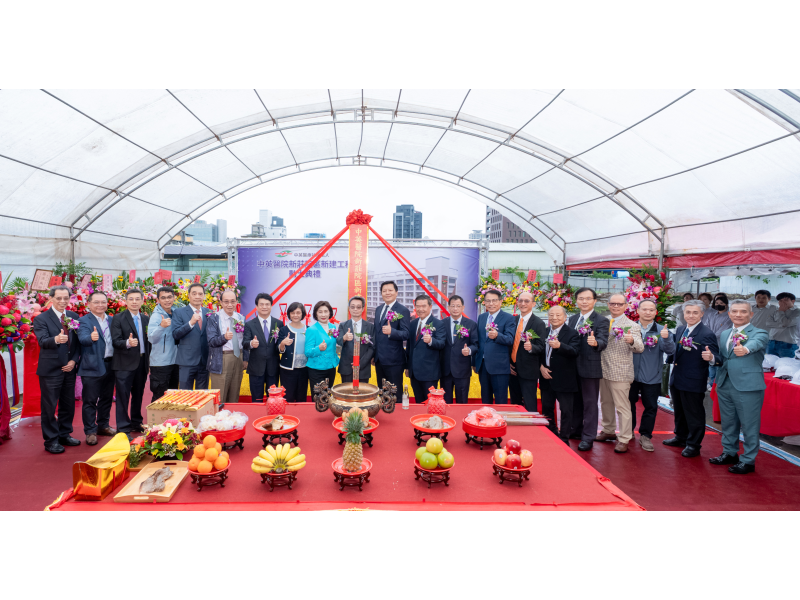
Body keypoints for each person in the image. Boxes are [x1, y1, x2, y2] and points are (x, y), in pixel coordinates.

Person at [707, 300, 769, 474]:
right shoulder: (725, 333)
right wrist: (712, 358)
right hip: (725, 383)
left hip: (748, 386)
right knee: (728, 422)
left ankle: (748, 460)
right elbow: (724, 358)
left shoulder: (759, 333)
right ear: (729, 314)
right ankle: (729, 453)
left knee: (749, 425)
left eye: (743, 311)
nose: (738, 315)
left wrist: (746, 350)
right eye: (734, 311)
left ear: (751, 314)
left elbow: (755, 344)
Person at [664, 300, 720, 457]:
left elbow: (717, 357)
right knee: (679, 411)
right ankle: (680, 437)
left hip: (693, 380)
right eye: (688, 312)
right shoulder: (681, 329)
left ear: (702, 314)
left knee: (694, 414)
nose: (691, 315)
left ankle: (693, 444)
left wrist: (711, 358)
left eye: (695, 312)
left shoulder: (706, 334)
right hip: (677, 377)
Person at [33, 285, 82, 453]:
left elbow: (77, 344)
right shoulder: (41, 319)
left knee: (68, 404)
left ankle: (64, 434)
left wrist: (74, 361)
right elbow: (42, 341)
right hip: (51, 369)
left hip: (69, 368)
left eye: (65, 298)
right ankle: (51, 440)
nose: (62, 301)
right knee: (49, 406)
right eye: (59, 298)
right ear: (51, 298)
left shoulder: (74, 316)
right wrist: (56, 339)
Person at [596, 294, 644, 453]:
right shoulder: (602, 321)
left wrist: (632, 341)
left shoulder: (632, 325)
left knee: (622, 407)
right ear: (608, 304)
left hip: (620, 371)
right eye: (613, 303)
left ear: (626, 306)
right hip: (602, 369)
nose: (615, 306)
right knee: (605, 402)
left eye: (619, 304)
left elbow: (640, 347)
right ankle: (608, 430)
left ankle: (624, 438)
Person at [567, 287, 610, 451]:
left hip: (590, 367)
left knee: (590, 403)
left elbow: (603, 341)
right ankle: (576, 430)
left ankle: (588, 437)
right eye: (581, 298)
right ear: (576, 301)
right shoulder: (572, 319)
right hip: (572, 367)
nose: (584, 301)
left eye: (587, 298)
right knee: (575, 402)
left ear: (594, 301)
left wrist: (596, 343)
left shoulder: (601, 320)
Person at [629, 299, 675, 452]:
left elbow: (670, 351)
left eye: (651, 310)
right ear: (638, 311)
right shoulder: (630, 328)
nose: (647, 312)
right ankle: (628, 432)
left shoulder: (662, 330)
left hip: (652, 375)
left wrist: (666, 338)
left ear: (655, 312)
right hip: (630, 375)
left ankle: (645, 436)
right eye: (644, 309)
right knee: (628, 405)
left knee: (650, 407)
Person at [77, 291, 117, 445]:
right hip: (92, 366)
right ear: (89, 304)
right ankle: (90, 431)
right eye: (96, 302)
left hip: (110, 364)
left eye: (103, 302)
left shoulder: (112, 320)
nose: (100, 305)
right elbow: (82, 338)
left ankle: (103, 426)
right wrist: (90, 338)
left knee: (106, 398)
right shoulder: (83, 321)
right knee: (90, 400)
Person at [111, 288, 150, 439]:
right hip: (124, 364)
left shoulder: (146, 319)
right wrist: (127, 342)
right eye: (131, 299)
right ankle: (123, 428)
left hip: (142, 361)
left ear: (142, 301)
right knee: (123, 397)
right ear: (126, 301)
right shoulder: (118, 318)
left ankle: (136, 422)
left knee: (138, 395)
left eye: (137, 299)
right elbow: (115, 341)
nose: (134, 302)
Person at [539, 305, 580, 442]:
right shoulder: (544, 332)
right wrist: (541, 367)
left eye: (558, 315)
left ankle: (564, 439)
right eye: (551, 315)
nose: (554, 318)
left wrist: (560, 346)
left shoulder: (572, 333)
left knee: (566, 411)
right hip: (546, 377)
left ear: (565, 317)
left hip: (565, 379)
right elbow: (538, 353)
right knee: (547, 409)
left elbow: (575, 351)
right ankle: (551, 435)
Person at [474, 289, 516, 404]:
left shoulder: (509, 318)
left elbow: (510, 339)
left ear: (501, 301)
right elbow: (479, 341)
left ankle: (500, 417)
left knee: (500, 400)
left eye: (494, 300)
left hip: (499, 367)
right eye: (488, 301)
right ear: (484, 302)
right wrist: (475, 362)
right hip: (483, 366)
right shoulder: (481, 317)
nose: (491, 303)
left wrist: (497, 335)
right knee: (485, 399)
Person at [509, 292, 547, 412]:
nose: (523, 303)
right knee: (515, 404)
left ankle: (532, 424)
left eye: (526, 301)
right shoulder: (512, 320)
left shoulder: (539, 323)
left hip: (528, 370)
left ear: (533, 304)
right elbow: (508, 343)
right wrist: (507, 363)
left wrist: (531, 347)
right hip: (512, 369)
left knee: (530, 404)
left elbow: (541, 346)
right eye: (520, 301)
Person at [207, 290, 246, 404]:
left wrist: (245, 358)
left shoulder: (241, 318)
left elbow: (244, 340)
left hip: (238, 357)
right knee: (220, 396)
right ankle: (218, 415)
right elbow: (211, 341)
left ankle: (232, 415)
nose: (230, 305)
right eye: (226, 301)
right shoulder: (214, 318)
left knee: (234, 394)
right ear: (221, 303)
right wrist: (224, 337)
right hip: (221, 358)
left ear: (236, 302)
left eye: (232, 301)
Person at [405, 295, 446, 402]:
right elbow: (410, 347)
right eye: (418, 306)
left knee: (430, 403)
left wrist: (431, 341)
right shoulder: (413, 324)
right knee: (418, 402)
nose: (420, 309)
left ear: (430, 306)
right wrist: (408, 367)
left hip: (429, 373)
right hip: (414, 372)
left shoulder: (438, 324)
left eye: (424, 306)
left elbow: (442, 344)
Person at [373, 281, 411, 394]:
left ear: (396, 292)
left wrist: (392, 332)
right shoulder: (378, 309)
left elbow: (406, 334)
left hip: (394, 360)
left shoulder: (402, 310)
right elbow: (376, 333)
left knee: (395, 393)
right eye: (384, 291)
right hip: (379, 360)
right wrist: (374, 354)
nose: (387, 293)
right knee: (382, 392)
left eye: (390, 290)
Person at [440, 295, 479, 404]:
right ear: (448, 307)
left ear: (463, 307)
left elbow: (476, 344)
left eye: (458, 306)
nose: (455, 308)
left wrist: (469, 350)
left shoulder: (471, 324)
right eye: (452, 306)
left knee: (462, 401)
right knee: (445, 402)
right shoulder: (441, 324)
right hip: (445, 370)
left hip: (462, 370)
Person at [243, 293, 282, 402]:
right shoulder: (249, 324)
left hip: (273, 368)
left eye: (267, 304)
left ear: (271, 306)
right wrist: (251, 343)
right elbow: (244, 343)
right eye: (261, 304)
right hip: (256, 368)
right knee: (257, 399)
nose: (264, 307)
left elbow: (279, 344)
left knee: (273, 399)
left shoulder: (278, 323)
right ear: (256, 306)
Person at [172, 283, 210, 390]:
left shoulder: (209, 312)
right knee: (185, 394)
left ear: (204, 296)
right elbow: (176, 334)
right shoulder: (179, 312)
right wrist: (191, 323)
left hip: (204, 361)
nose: (197, 296)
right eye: (194, 293)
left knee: (202, 395)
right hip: (186, 361)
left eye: (200, 294)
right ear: (188, 295)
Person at [147, 286, 179, 401]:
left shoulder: (176, 313)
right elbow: (151, 338)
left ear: (174, 298)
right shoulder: (156, 316)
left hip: (176, 362)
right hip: (160, 365)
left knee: (173, 397)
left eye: (169, 297)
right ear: (158, 300)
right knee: (160, 397)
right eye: (163, 298)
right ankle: (155, 414)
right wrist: (161, 326)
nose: (167, 300)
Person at [337, 295, 375, 385]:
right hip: (346, 368)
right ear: (349, 309)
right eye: (352, 307)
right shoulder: (343, 325)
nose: (355, 309)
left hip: (363, 368)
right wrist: (344, 338)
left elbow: (372, 347)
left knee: (362, 392)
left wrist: (360, 363)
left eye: (358, 307)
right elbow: (338, 341)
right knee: (346, 392)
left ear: (363, 309)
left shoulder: (370, 326)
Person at [305, 300, 340, 394]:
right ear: (316, 314)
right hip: (316, 369)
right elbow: (307, 351)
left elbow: (333, 344)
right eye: (320, 312)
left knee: (328, 396)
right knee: (318, 397)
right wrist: (318, 348)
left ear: (330, 313)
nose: (323, 314)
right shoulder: (311, 329)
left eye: (325, 311)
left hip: (331, 368)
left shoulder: (332, 327)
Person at [278, 302, 309, 402]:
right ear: (289, 314)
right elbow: (279, 349)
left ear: (302, 314)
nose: (295, 315)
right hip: (287, 369)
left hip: (304, 369)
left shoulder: (308, 329)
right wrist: (283, 343)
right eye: (292, 313)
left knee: (301, 397)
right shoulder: (283, 330)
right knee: (288, 397)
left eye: (298, 313)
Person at [703, 293, 733, 390]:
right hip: (710, 344)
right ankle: (712, 382)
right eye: (717, 303)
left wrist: (709, 337)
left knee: (720, 364)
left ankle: (718, 383)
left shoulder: (729, 317)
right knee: (711, 364)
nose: (718, 305)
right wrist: (707, 336)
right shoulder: (712, 315)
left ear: (726, 305)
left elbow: (723, 331)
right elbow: (705, 326)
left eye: (721, 303)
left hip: (721, 344)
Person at [767, 292, 799, 357]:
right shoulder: (775, 311)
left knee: (785, 362)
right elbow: (768, 323)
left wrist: (781, 312)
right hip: (771, 342)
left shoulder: (797, 312)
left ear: (793, 301)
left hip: (787, 343)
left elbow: (786, 323)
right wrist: (782, 325)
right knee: (770, 361)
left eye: (785, 300)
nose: (782, 302)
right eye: (780, 300)